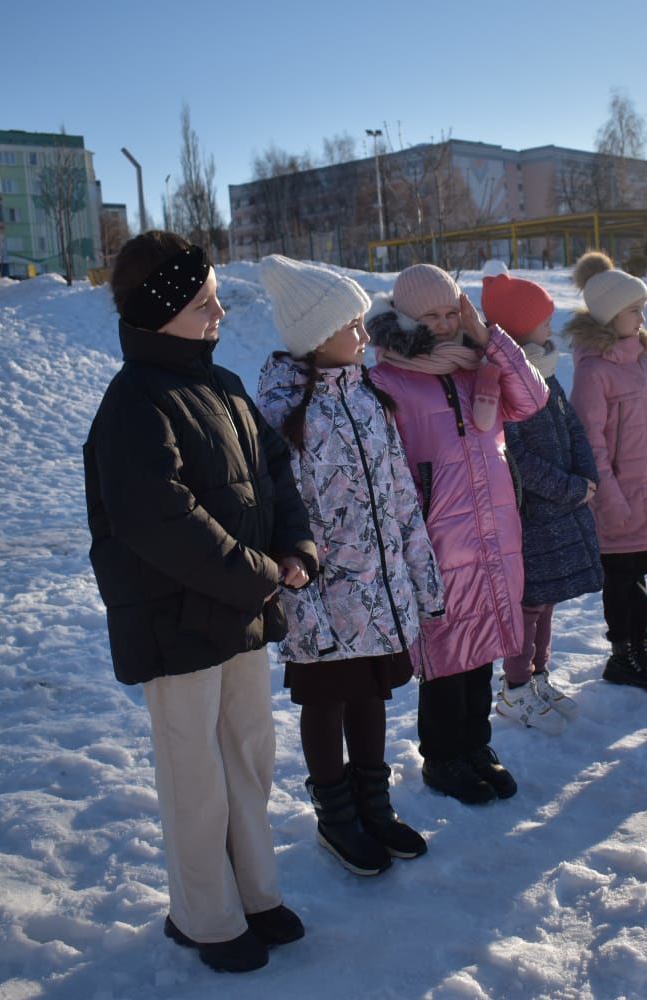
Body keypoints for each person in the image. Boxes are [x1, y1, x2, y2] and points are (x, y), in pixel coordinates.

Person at [82, 232, 317, 974]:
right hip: (175, 622)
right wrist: (258, 572)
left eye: (213, 294)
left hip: (240, 610)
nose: (219, 309)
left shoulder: (222, 385)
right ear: (160, 313)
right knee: (196, 776)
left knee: (248, 759)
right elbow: (159, 519)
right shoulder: (132, 405)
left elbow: (276, 472)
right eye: (200, 300)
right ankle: (204, 916)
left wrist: (295, 548)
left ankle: (254, 894)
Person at [254, 254, 445, 876]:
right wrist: (294, 594)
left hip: (381, 594)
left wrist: (422, 579)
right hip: (321, 598)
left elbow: (400, 500)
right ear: (316, 335)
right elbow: (277, 514)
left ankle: (374, 804)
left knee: (372, 696)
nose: (366, 336)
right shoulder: (283, 414)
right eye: (354, 326)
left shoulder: (370, 399)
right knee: (328, 702)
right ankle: (335, 816)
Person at [367, 263, 548, 805]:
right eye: (433, 315)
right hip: (436, 536)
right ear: (404, 317)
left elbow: (533, 401)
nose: (445, 325)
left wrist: (489, 335)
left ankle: (477, 747)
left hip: (493, 528)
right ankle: (443, 757)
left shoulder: (479, 366)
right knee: (446, 651)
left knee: (486, 638)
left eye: (453, 311)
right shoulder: (385, 379)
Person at [481, 262, 602, 734]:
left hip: (561, 506)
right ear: (517, 324)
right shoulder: (504, 378)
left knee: (547, 601)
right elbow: (516, 458)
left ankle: (538, 676)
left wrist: (585, 474)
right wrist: (572, 488)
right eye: (543, 315)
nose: (552, 322)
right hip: (532, 513)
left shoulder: (545, 369)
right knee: (528, 603)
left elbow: (571, 425)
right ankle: (515, 689)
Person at [565, 252, 647, 691]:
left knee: (639, 572)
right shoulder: (594, 372)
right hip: (617, 497)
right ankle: (625, 654)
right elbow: (591, 444)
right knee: (621, 578)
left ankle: (640, 643)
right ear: (611, 315)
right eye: (634, 310)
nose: (641, 317)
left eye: (642, 309)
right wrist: (609, 501)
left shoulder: (642, 362)